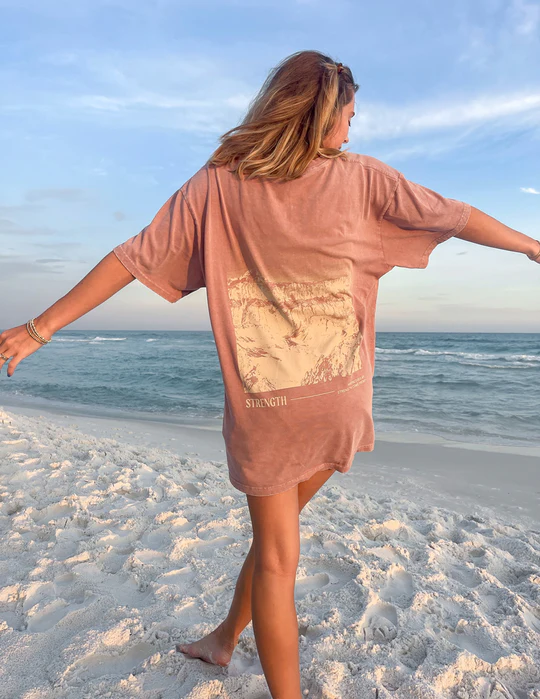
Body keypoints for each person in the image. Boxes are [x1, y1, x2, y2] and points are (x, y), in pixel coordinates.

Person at [1, 49, 538, 698]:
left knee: (278, 556)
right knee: (273, 538)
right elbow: (457, 214)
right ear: (318, 115)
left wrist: (40, 328)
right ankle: (224, 637)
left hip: (271, 412)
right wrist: (532, 246)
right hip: (343, 400)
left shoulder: (217, 185)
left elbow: (131, 258)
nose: (351, 132)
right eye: (347, 118)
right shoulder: (365, 179)